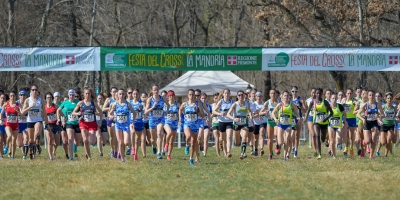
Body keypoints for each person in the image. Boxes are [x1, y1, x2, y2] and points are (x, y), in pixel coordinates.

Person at [72, 88, 103, 161]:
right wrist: (78, 113)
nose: (87, 95)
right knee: (85, 140)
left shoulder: (94, 103)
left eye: (89, 93)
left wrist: (98, 117)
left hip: (92, 124)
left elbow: (101, 113)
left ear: (90, 94)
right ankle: (89, 156)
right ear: (84, 94)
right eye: (86, 93)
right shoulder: (80, 103)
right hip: (83, 123)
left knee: (92, 142)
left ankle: (87, 151)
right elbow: (73, 112)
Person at [304, 88, 333, 159]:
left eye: (319, 93)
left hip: (324, 122)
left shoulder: (325, 102)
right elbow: (308, 110)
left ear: (322, 94)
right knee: (317, 135)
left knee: (322, 139)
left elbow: (331, 113)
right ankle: (319, 154)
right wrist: (305, 118)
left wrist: (326, 118)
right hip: (316, 121)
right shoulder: (312, 102)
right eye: (317, 93)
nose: (318, 95)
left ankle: (325, 136)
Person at [271, 91, 300, 161]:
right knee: (281, 142)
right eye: (285, 95)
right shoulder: (280, 105)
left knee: (287, 140)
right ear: (282, 96)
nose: (286, 97)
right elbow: (273, 113)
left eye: (287, 96)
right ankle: (278, 146)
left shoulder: (292, 105)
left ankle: (284, 157)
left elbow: (296, 112)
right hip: (280, 124)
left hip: (288, 125)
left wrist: (298, 117)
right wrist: (275, 119)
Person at [108, 88, 135, 162]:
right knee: (120, 142)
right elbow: (109, 113)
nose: (121, 95)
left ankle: (123, 153)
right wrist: (111, 116)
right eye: (120, 94)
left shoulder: (128, 104)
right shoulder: (115, 104)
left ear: (125, 94)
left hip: (126, 125)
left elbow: (134, 113)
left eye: (123, 94)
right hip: (118, 125)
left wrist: (132, 122)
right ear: (118, 95)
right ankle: (123, 158)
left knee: (126, 142)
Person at [22, 85, 48, 159]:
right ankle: (31, 154)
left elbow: (44, 112)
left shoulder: (41, 100)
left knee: (37, 132)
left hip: (38, 120)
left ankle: (37, 144)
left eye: (36, 90)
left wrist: (47, 122)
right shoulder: (27, 100)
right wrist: (30, 107)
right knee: (30, 140)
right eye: (33, 90)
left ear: (37, 91)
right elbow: (23, 112)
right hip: (30, 120)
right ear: (31, 91)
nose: (34, 91)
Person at [179, 89, 205, 164]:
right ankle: (187, 145)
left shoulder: (198, 104)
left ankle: (191, 158)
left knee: (194, 143)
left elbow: (202, 115)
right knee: (188, 136)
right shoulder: (185, 104)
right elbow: (180, 109)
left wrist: (197, 111)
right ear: (188, 95)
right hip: (187, 124)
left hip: (195, 125)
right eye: (190, 94)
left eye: (193, 95)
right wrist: (180, 117)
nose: (191, 96)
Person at [357, 90, 384, 159]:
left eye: (372, 95)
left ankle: (371, 156)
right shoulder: (366, 104)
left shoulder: (378, 104)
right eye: (370, 95)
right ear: (368, 96)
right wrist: (363, 119)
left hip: (374, 123)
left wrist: (379, 117)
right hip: (367, 123)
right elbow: (358, 114)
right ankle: (364, 142)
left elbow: (382, 114)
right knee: (367, 141)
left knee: (374, 139)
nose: (371, 96)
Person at [227, 90, 253, 159]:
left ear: (244, 96)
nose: (241, 96)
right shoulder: (235, 104)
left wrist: (250, 117)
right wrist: (233, 118)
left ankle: (243, 153)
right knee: (237, 142)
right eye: (239, 95)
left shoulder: (247, 104)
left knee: (244, 138)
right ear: (237, 96)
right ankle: (239, 146)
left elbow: (250, 111)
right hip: (236, 124)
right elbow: (228, 114)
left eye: (242, 95)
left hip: (245, 123)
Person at [57, 89, 81, 160]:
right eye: (70, 95)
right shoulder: (65, 102)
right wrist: (60, 117)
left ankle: (74, 149)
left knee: (77, 142)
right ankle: (71, 157)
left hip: (76, 123)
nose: (71, 96)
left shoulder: (78, 102)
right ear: (68, 95)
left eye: (73, 95)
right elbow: (58, 110)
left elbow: (83, 109)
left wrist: (80, 117)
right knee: (70, 139)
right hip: (68, 123)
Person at [145, 84, 167, 159]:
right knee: (153, 139)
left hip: (160, 118)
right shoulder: (150, 99)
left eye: (157, 89)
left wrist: (166, 111)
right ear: (152, 91)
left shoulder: (162, 98)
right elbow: (146, 112)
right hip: (152, 119)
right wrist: (153, 107)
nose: (156, 91)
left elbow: (168, 105)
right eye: (154, 90)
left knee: (159, 133)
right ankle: (153, 145)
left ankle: (159, 152)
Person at [212, 88, 234, 158]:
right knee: (223, 139)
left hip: (229, 122)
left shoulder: (232, 102)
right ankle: (225, 152)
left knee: (229, 136)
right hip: (222, 122)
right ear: (223, 94)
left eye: (228, 93)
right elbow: (213, 111)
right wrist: (219, 113)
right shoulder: (221, 101)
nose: (227, 94)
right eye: (225, 93)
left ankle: (228, 152)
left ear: (230, 94)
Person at [0, 91, 21, 159]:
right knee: (9, 135)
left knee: (14, 141)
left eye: (13, 96)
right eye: (11, 96)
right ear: (9, 97)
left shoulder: (18, 104)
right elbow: (1, 113)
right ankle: (6, 146)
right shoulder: (6, 104)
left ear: (15, 97)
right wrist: (0, 119)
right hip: (8, 124)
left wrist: (18, 111)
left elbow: (21, 114)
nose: (12, 97)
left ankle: (12, 156)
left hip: (15, 125)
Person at [260, 89, 279, 160]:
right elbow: (260, 113)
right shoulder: (267, 103)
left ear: (276, 95)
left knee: (277, 135)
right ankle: (270, 154)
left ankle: (277, 145)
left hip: (277, 122)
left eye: (274, 93)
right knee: (270, 139)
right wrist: (265, 112)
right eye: (271, 93)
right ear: (269, 94)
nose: (273, 95)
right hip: (270, 121)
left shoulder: (279, 103)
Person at [128, 88, 146, 160]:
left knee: (137, 139)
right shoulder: (129, 103)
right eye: (134, 94)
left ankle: (135, 153)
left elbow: (145, 112)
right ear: (132, 95)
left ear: (139, 95)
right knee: (132, 132)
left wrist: (141, 109)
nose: (135, 95)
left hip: (139, 121)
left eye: (136, 94)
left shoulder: (141, 103)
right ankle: (132, 147)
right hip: (132, 121)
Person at [376, 92, 396, 157]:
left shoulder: (394, 108)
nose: (389, 99)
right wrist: (379, 121)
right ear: (386, 99)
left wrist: (397, 119)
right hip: (384, 125)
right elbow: (377, 115)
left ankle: (386, 155)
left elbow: (397, 116)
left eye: (390, 98)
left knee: (389, 139)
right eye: (388, 98)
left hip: (391, 125)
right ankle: (377, 151)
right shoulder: (383, 107)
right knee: (383, 142)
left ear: (392, 99)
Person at [328, 93, 346, 158]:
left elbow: (344, 114)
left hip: (338, 125)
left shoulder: (340, 106)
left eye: (335, 98)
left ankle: (337, 145)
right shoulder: (328, 107)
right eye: (333, 98)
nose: (334, 100)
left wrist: (343, 121)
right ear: (330, 99)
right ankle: (334, 155)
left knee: (338, 140)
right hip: (331, 125)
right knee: (332, 141)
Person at [163, 90, 180, 160]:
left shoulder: (177, 104)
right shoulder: (165, 104)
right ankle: (166, 144)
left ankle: (169, 155)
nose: (171, 97)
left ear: (174, 96)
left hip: (174, 123)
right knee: (169, 133)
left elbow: (181, 110)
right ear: (168, 97)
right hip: (167, 122)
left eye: (172, 96)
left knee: (172, 141)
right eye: (170, 96)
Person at [103, 87, 118, 158]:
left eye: (115, 91)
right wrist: (111, 107)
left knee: (116, 136)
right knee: (112, 137)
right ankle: (112, 149)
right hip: (110, 119)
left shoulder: (119, 100)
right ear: (111, 93)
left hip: (117, 119)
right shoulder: (109, 100)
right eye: (113, 92)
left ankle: (116, 151)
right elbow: (103, 109)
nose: (114, 93)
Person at [44, 92, 60, 161]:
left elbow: (60, 113)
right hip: (48, 125)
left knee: (57, 143)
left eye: (50, 97)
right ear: (45, 99)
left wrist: (59, 119)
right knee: (49, 141)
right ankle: (51, 157)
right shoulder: (44, 107)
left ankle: (54, 150)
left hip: (55, 125)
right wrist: (44, 120)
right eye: (48, 97)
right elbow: (42, 116)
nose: (49, 99)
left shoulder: (55, 106)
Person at [291, 86, 306, 158]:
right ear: (291, 92)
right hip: (291, 119)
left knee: (297, 135)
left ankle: (296, 150)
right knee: (292, 134)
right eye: (293, 91)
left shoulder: (301, 100)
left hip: (299, 118)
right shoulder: (289, 100)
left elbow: (305, 110)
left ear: (298, 92)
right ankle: (293, 146)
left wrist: (300, 106)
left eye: (296, 91)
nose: (294, 93)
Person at [252, 92, 265, 157]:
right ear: (255, 97)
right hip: (255, 123)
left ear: (262, 97)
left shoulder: (264, 104)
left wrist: (265, 112)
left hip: (263, 122)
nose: (259, 97)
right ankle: (256, 150)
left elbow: (266, 111)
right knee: (255, 138)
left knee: (262, 134)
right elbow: (251, 113)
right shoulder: (253, 104)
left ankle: (262, 149)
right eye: (257, 96)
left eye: (260, 96)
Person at [17, 90, 28, 159]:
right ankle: (23, 151)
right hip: (18, 124)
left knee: (26, 139)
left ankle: (24, 155)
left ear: (26, 96)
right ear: (19, 96)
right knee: (19, 144)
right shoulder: (16, 103)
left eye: (24, 95)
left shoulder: (28, 103)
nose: (22, 96)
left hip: (26, 123)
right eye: (21, 95)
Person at [211, 92, 222, 156]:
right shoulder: (211, 105)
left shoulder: (221, 105)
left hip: (221, 122)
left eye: (217, 98)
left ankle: (221, 144)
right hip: (214, 123)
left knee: (221, 138)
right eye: (215, 98)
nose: (216, 99)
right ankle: (218, 154)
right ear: (213, 99)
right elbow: (210, 114)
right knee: (217, 138)